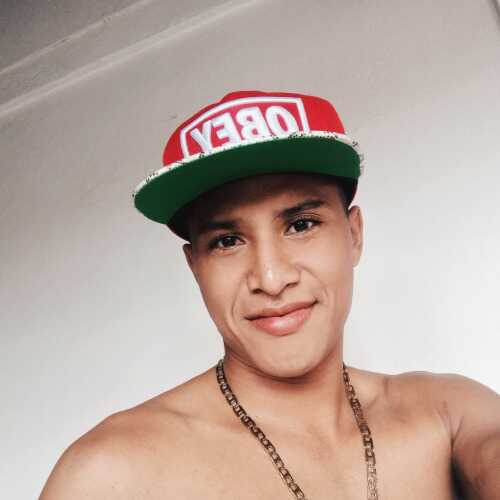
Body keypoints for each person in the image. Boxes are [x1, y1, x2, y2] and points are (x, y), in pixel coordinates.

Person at [40, 90, 500, 500]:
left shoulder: (446, 413)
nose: (271, 278)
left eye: (301, 225)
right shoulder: (112, 473)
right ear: (195, 267)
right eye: (227, 241)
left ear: (354, 235)